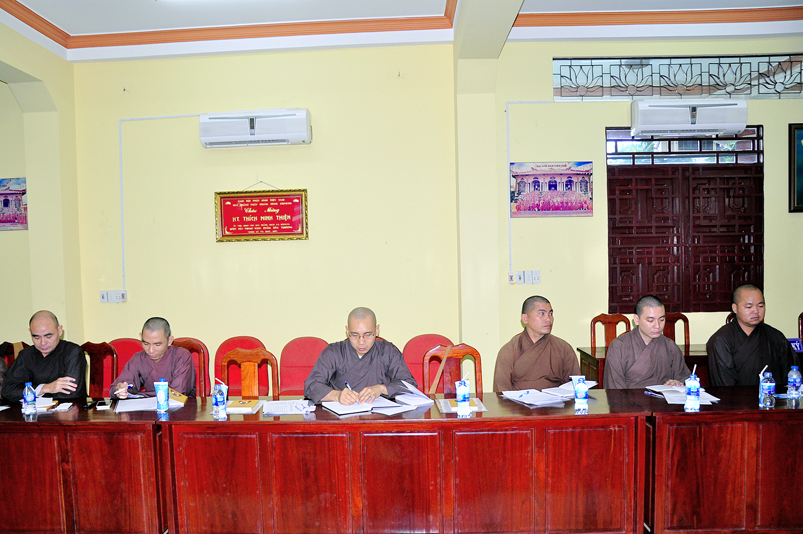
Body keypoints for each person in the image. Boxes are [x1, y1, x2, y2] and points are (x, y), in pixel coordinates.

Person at [304, 307, 417, 405]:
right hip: (342, 414)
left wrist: (381, 388)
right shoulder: (334, 352)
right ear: (347, 331)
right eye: (355, 335)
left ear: (377, 330)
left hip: (379, 415)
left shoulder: (388, 351)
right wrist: (337, 396)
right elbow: (311, 386)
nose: (361, 342)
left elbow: (409, 384)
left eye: (368, 335)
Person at [707, 284, 798, 386]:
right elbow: (724, 386)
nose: (756, 311)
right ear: (735, 308)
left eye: (760, 306)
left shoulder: (776, 336)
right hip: (735, 396)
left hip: (772, 395)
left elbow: (792, 374)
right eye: (749, 307)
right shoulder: (721, 340)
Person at [493, 296, 580, 391]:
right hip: (519, 400)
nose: (548, 319)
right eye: (542, 313)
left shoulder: (563, 348)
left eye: (550, 314)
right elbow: (501, 391)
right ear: (525, 318)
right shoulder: (509, 351)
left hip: (555, 400)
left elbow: (575, 387)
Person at [602, 295, 691, 389]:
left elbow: (684, 379)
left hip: (664, 398)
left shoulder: (670, 346)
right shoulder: (618, 346)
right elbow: (614, 390)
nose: (657, 326)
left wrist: (677, 383)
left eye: (661, 319)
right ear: (637, 320)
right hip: (629, 398)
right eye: (650, 320)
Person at [1, 310, 86, 402]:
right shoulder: (26, 355)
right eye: (36, 337)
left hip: (70, 409)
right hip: (33, 409)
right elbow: (7, 391)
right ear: (30, 332)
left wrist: (31, 393)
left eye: (48, 336)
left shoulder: (72, 351)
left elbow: (71, 392)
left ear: (59, 330)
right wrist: (45, 388)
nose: (43, 343)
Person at [109, 317, 196, 398]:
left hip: (180, 408)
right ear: (141, 337)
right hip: (148, 407)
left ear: (169, 341)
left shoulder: (181, 356)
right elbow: (115, 389)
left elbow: (177, 393)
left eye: (157, 344)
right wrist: (120, 389)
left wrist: (140, 395)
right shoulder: (139, 358)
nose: (150, 350)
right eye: (146, 343)